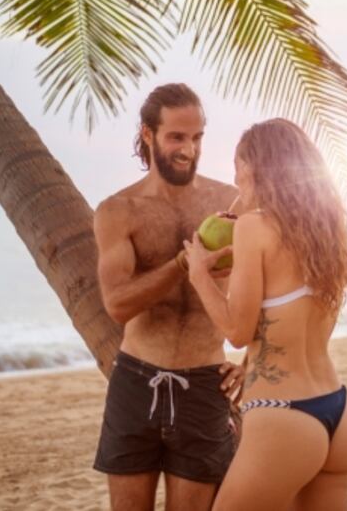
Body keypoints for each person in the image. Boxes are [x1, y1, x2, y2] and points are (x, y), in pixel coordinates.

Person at [184, 118, 347, 511]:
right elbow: (299, 322)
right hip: (335, 412)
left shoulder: (253, 227)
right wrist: (251, 366)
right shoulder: (328, 232)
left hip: (285, 419)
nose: (235, 181)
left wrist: (199, 274)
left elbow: (236, 330)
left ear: (254, 169)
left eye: (238, 169)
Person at [92, 83, 244, 511]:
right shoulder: (118, 211)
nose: (188, 150)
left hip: (204, 385)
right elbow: (118, 304)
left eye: (196, 138)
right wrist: (184, 265)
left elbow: (277, 284)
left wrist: (255, 360)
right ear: (148, 134)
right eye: (176, 137)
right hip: (136, 383)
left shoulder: (230, 204)